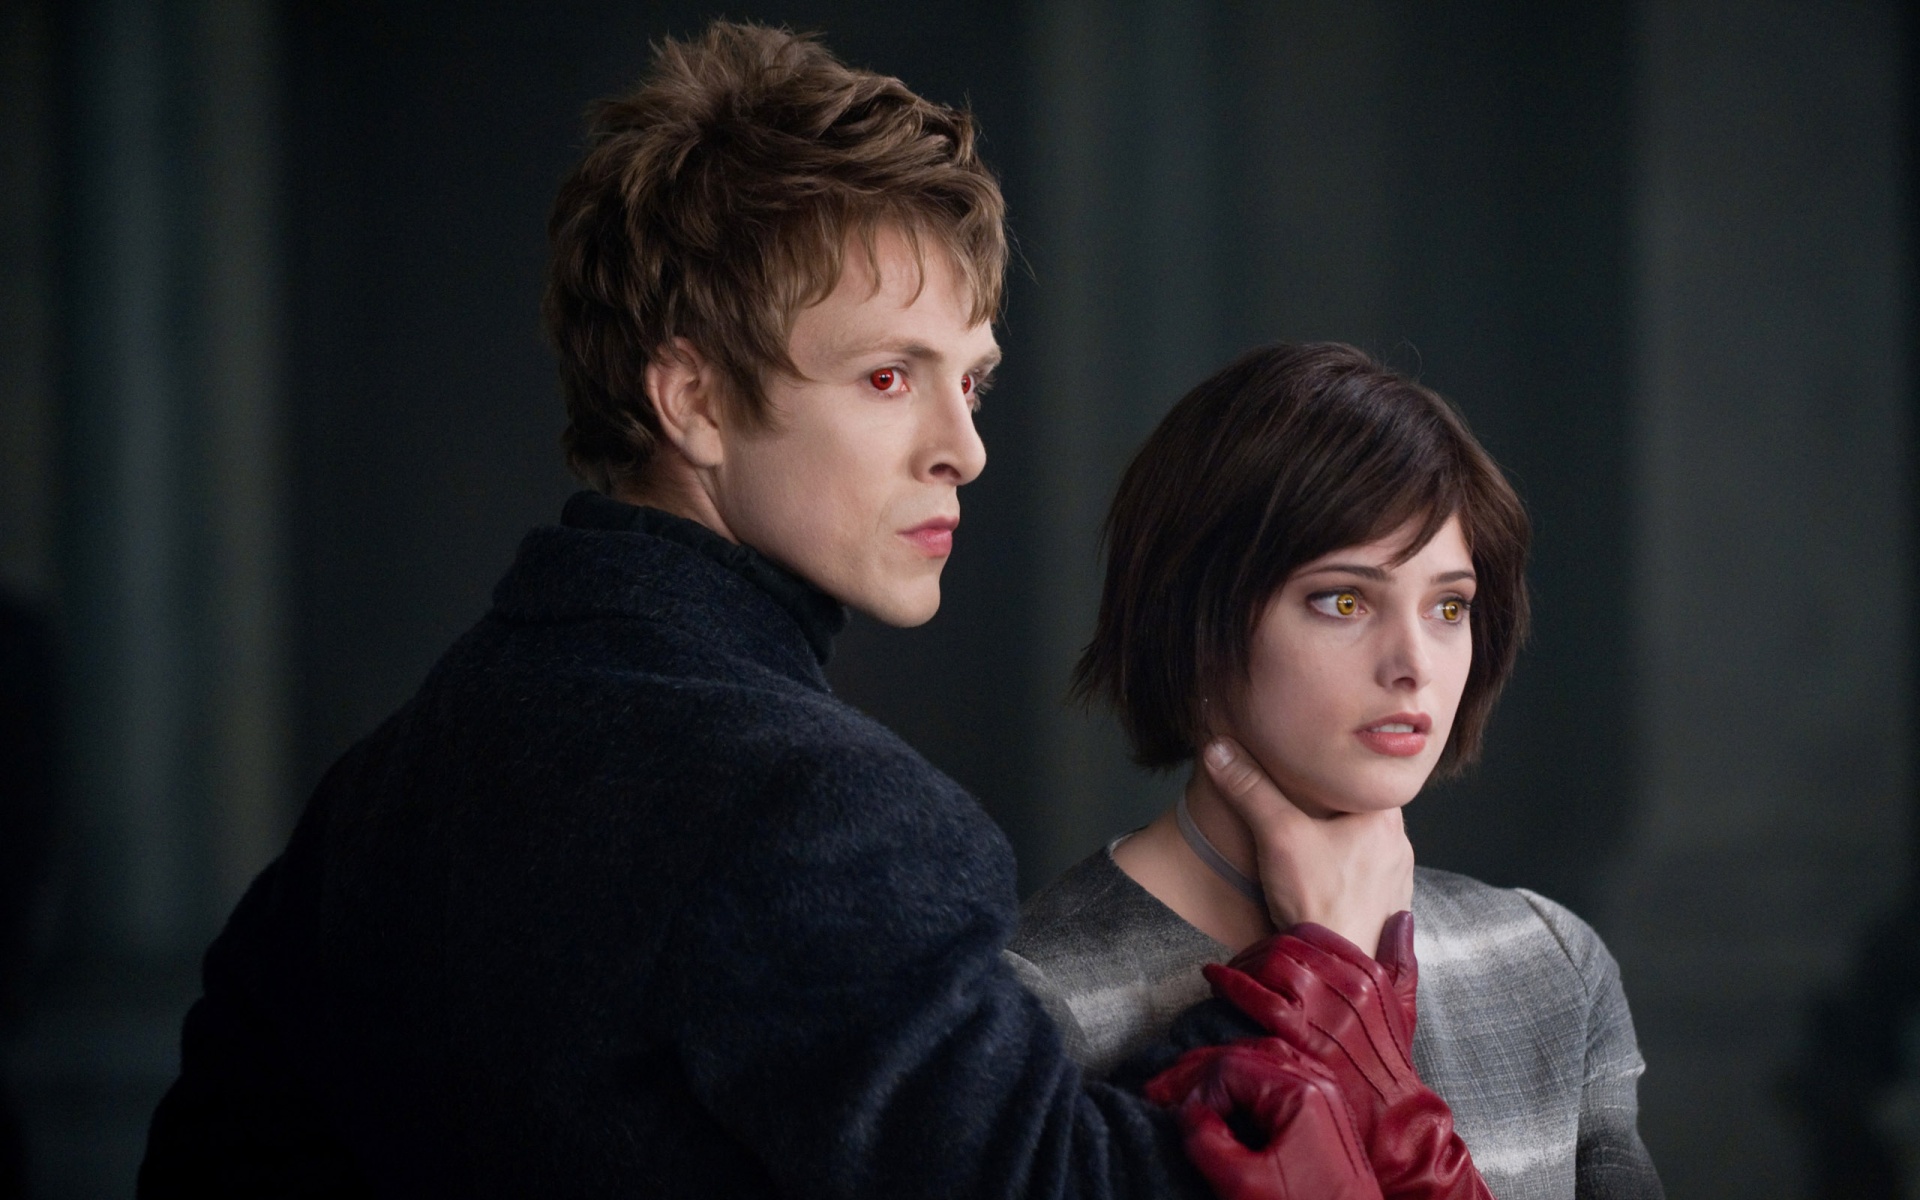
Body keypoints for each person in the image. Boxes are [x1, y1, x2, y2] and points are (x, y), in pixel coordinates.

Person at [136, 23, 1444, 1198]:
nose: (964, 449)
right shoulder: (816, 813)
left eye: (972, 383)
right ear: (692, 401)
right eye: (887, 377)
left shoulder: (378, 793)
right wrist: (1323, 975)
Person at [1007, 343, 1665, 1199]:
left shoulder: (1546, 962)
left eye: (1449, 606)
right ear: (1195, 623)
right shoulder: (1032, 1002)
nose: (1414, 664)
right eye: (1345, 601)